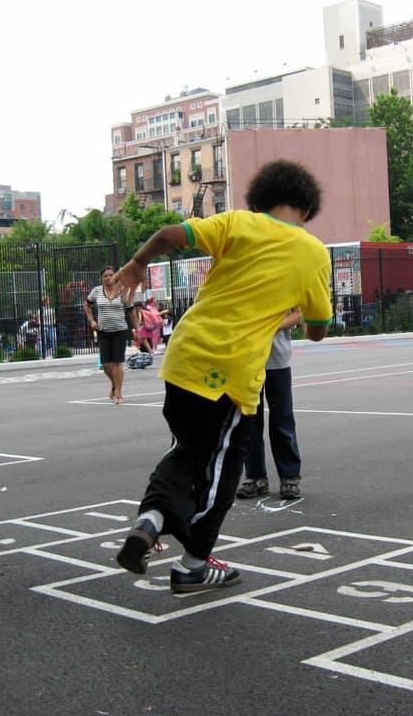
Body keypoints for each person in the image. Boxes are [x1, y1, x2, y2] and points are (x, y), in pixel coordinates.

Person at [113, 159, 332, 593]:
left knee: (187, 450)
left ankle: (151, 517)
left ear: (261, 200)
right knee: (226, 470)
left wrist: (139, 262)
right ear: (306, 209)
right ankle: (193, 563)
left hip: (183, 358)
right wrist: (284, 316)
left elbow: (171, 235)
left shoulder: (237, 223)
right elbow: (318, 328)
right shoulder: (312, 252)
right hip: (228, 374)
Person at [237, 309, 304, 501]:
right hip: (249, 359)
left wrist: (272, 324)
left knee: (282, 420)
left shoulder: (286, 281)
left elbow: (298, 313)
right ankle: (256, 477)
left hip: (277, 359)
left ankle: (289, 476)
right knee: (250, 421)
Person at [84, 267, 132, 404]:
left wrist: (137, 327)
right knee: (106, 364)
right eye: (105, 275)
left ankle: (118, 393)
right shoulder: (97, 291)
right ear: (102, 278)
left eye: (111, 275)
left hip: (120, 330)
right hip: (103, 330)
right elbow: (87, 305)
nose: (108, 277)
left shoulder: (122, 292)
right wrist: (92, 320)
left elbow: (130, 309)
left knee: (117, 361)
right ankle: (114, 384)